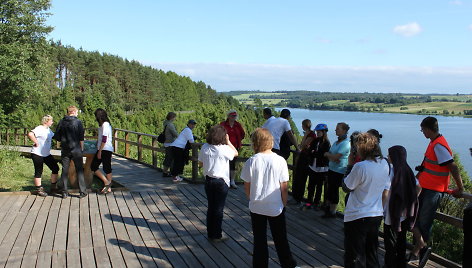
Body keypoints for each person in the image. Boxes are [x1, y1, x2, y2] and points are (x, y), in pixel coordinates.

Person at [410, 116, 464, 267]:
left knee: (424, 223)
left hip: (433, 191)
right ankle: (417, 253)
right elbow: (427, 165)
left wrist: (460, 188)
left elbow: (452, 167)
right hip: (426, 188)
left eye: (422, 130)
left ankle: (421, 254)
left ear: (428, 129)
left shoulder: (438, 145)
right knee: (419, 220)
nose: (422, 132)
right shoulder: (434, 143)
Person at [241, 128, 298, 268]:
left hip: (256, 206)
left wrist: (251, 198)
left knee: (259, 240)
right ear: (270, 142)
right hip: (275, 206)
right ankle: (288, 264)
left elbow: (247, 184)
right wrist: (283, 203)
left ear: (256, 143)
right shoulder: (280, 161)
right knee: (280, 238)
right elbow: (284, 186)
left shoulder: (251, 161)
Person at [342, 132, 391, 268]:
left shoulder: (360, 167)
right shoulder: (385, 164)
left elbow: (346, 187)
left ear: (363, 148)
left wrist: (350, 165)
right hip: (375, 214)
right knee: (371, 254)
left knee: (355, 256)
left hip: (357, 215)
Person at [198, 125, 238, 242]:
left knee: (211, 207)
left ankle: (211, 233)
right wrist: (228, 141)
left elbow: (200, 163)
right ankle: (217, 235)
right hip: (221, 182)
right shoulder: (224, 149)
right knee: (218, 209)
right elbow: (235, 153)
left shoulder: (205, 147)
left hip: (209, 180)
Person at [384, 145, 421, 268]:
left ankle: (389, 265)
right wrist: (410, 200)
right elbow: (418, 187)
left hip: (391, 212)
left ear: (394, 156)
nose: (388, 157)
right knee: (401, 241)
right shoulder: (407, 169)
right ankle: (400, 264)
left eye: (390, 155)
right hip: (404, 213)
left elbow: (386, 192)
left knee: (390, 242)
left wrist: (381, 208)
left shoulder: (393, 171)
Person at [54, 106, 87, 199]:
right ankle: (82, 192)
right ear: (73, 112)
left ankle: (64, 192)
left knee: (65, 170)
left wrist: (63, 140)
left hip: (65, 149)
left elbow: (57, 136)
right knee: (79, 170)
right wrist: (82, 148)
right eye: (77, 112)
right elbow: (81, 137)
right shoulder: (78, 122)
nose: (77, 114)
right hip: (76, 149)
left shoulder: (61, 122)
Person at [323, 122, 350, 218]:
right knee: (329, 189)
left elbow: (334, 156)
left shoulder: (346, 144)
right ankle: (328, 210)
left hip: (339, 171)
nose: (335, 130)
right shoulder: (336, 142)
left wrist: (330, 156)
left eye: (338, 129)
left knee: (334, 191)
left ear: (344, 131)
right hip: (331, 169)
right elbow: (331, 155)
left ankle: (333, 212)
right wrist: (331, 156)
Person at [27, 115, 60, 196]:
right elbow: (30, 134)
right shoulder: (40, 128)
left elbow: (55, 136)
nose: (52, 122)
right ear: (46, 121)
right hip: (37, 153)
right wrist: (36, 142)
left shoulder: (48, 130)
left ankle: (53, 187)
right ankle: (39, 189)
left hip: (46, 154)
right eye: (51, 121)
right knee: (39, 171)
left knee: (55, 168)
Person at [305, 123, 331, 210]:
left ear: (324, 132)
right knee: (311, 186)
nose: (317, 134)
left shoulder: (327, 143)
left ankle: (316, 203)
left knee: (319, 187)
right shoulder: (315, 141)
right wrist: (313, 152)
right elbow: (309, 150)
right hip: (313, 166)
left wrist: (314, 152)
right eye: (317, 132)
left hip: (322, 168)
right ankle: (309, 202)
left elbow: (323, 154)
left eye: (319, 132)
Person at [291, 119, 316, 206]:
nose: (301, 126)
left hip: (306, 159)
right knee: (298, 177)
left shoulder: (311, 134)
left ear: (305, 125)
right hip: (303, 157)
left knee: (301, 178)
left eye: (302, 125)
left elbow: (303, 145)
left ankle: (299, 198)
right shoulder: (309, 133)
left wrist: (304, 136)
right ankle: (296, 197)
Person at [220, 109, 245, 189]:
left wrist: (238, 142)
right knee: (224, 164)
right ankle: (224, 181)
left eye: (235, 116)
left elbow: (242, 134)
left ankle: (232, 181)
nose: (234, 117)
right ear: (228, 116)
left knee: (232, 165)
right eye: (232, 116)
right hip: (224, 147)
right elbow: (219, 133)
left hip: (234, 148)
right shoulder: (223, 124)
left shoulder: (238, 125)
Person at [91, 108, 114, 194]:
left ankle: (107, 185)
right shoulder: (103, 125)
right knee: (94, 166)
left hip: (105, 149)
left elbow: (104, 138)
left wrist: (100, 150)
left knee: (105, 167)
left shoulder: (105, 124)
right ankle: (107, 183)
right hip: (102, 148)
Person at [162, 112, 178, 177]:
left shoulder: (165, 123)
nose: (175, 119)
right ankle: (166, 172)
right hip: (170, 143)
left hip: (166, 143)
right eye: (174, 117)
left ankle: (166, 172)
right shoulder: (170, 125)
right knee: (170, 158)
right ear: (172, 117)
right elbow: (175, 134)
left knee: (168, 158)